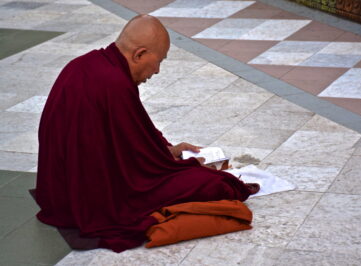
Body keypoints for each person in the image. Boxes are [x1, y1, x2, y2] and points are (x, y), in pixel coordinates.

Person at [35, 15, 258, 253]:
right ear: (139, 54)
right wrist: (188, 167)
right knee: (217, 184)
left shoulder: (83, 64)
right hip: (94, 199)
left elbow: (128, 139)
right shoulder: (114, 84)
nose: (158, 71)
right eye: (159, 61)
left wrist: (167, 150)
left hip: (58, 194)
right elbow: (141, 172)